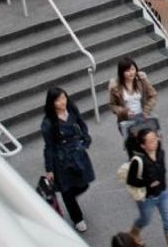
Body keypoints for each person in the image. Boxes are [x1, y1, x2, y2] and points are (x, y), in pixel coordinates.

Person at [40, 87, 94, 233]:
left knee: (84, 183)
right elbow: (49, 147)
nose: (62, 102)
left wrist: (86, 138)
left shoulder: (71, 109)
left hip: (77, 153)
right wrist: (49, 169)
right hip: (61, 160)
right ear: (52, 103)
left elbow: (82, 124)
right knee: (66, 189)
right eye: (58, 100)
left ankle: (71, 198)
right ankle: (77, 219)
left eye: (64, 98)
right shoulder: (48, 123)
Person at [123, 128, 168, 246]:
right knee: (145, 219)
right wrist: (147, 183)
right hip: (147, 199)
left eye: (155, 138)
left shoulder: (161, 153)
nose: (155, 142)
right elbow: (130, 180)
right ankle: (134, 232)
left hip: (163, 193)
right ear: (143, 145)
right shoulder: (138, 161)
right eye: (151, 141)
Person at [108, 56, 158, 138]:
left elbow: (153, 95)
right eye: (127, 71)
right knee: (132, 145)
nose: (131, 73)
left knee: (147, 143)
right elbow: (112, 106)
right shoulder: (115, 87)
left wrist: (146, 111)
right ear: (121, 72)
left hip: (143, 117)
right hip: (126, 120)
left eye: (133, 69)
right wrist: (124, 112)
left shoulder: (141, 80)